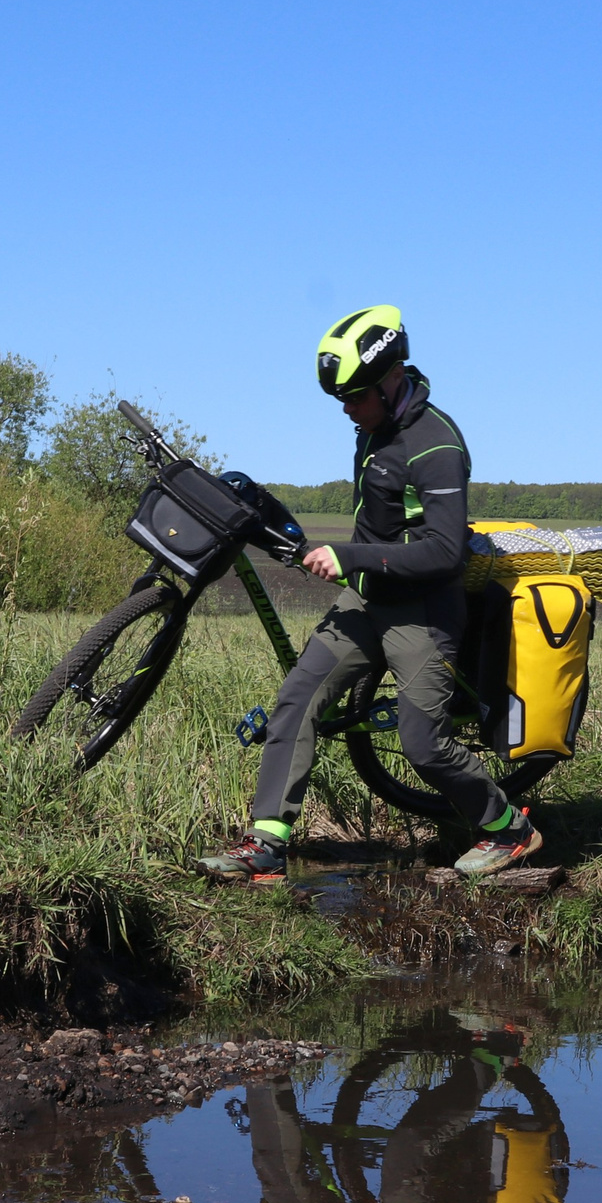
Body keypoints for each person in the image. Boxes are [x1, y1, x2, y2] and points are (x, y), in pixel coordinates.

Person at [197, 306, 541, 884]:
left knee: (423, 742)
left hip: (424, 612)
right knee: (296, 700)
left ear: (390, 380)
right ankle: (266, 846)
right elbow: (380, 526)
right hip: (365, 604)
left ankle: (509, 828)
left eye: (354, 397)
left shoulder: (436, 444)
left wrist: (350, 556)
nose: (347, 410)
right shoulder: (373, 431)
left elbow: (443, 550)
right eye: (341, 400)